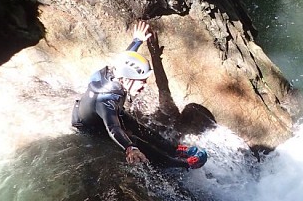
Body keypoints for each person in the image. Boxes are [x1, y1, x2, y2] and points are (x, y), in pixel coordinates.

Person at [71, 21, 207, 169]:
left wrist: (137, 41)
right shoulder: (106, 101)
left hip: (95, 114)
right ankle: (182, 164)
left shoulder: (115, 74)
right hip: (91, 128)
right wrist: (130, 148)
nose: (144, 85)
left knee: (134, 125)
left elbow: (124, 60)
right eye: (141, 81)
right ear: (127, 79)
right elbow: (113, 128)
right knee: (134, 140)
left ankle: (174, 150)